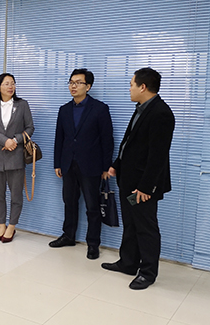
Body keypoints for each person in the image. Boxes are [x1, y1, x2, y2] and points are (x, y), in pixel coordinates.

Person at [102, 68, 174, 290]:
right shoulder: (142, 108)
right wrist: (116, 164)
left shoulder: (161, 113)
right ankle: (128, 263)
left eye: (131, 84)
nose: (129, 88)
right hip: (129, 181)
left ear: (143, 87)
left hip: (143, 187)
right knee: (131, 223)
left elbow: (157, 156)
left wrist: (146, 187)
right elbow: (129, 143)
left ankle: (148, 273)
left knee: (145, 227)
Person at [50, 69, 114, 260]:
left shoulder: (100, 109)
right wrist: (57, 163)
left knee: (92, 206)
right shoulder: (64, 110)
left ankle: (93, 243)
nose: (73, 86)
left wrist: (106, 167)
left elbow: (107, 140)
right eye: (71, 82)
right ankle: (68, 236)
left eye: (78, 83)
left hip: (91, 165)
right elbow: (59, 138)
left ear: (88, 86)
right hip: (68, 164)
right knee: (69, 202)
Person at [0, 73, 33, 242]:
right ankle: (1, 225)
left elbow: (30, 128)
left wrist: (15, 140)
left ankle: (12, 226)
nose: (11, 86)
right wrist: (5, 141)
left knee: (16, 195)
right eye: (6, 83)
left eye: (13, 83)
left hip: (16, 157)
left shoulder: (22, 105)